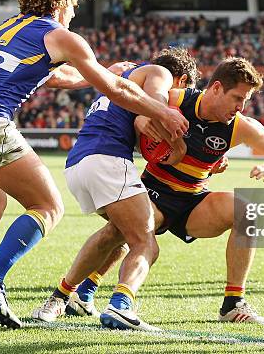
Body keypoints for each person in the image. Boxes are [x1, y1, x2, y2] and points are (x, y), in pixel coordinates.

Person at [0, 0, 187, 329]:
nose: (73, 12)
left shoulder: (7, 28)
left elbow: (57, 76)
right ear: (61, 0)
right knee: (48, 207)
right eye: (73, 4)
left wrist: (97, 71)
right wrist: (160, 112)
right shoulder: (59, 34)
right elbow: (116, 89)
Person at [38, 57, 264, 328]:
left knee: (247, 211)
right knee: (117, 233)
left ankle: (233, 304)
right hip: (153, 192)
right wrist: (143, 122)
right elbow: (139, 113)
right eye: (237, 97)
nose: (240, 107)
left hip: (194, 201)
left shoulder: (239, 125)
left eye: (245, 100)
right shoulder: (175, 99)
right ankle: (64, 294)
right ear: (217, 88)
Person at [32, 47, 199, 331]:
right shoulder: (160, 74)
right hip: (107, 161)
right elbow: (156, 104)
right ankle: (121, 307)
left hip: (78, 164)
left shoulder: (126, 77)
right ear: (181, 80)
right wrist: (177, 139)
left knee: (117, 233)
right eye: (184, 91)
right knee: (145, 242)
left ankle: (67, 297)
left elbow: (138, 128)